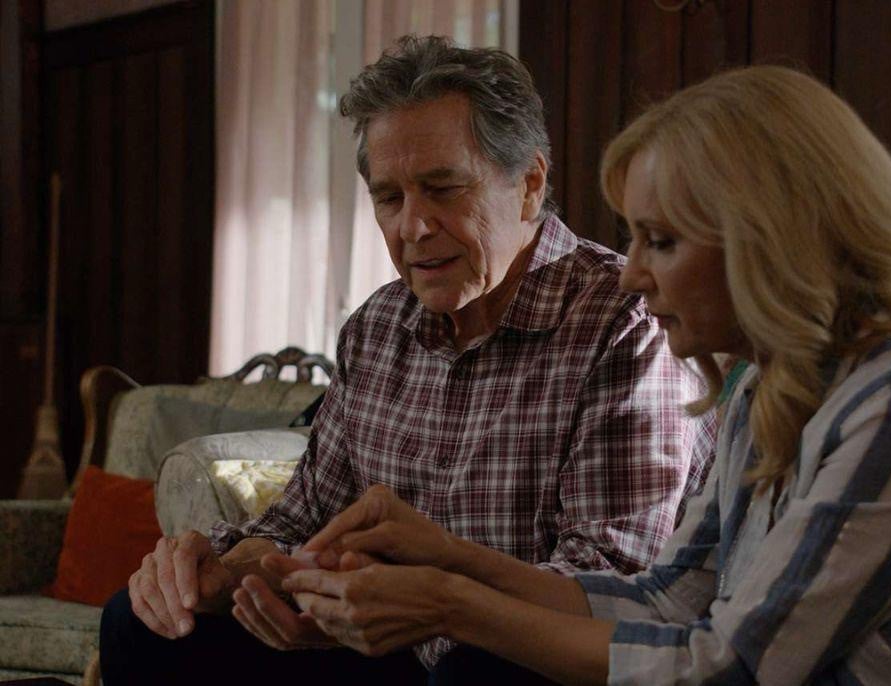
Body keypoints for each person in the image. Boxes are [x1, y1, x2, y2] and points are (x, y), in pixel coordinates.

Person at [269, 65, 891, 684]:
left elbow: (733, 665)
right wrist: (448, 557)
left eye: (660, 240)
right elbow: (669, 599)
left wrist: (450, 604)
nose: (629, 274)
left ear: (772, 238)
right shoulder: (767, 389)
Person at [99, 36, 715, 685]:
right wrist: (221, 572)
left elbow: (612, 585)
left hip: (528, 656)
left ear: (530, 185)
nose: (413, 227)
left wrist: (418, 603)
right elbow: (299, 523)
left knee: (476, 672)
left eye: (443, 189)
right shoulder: (377, 328)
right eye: (389, 198)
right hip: (388, 649)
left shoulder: (625, 322)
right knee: (141, 625)